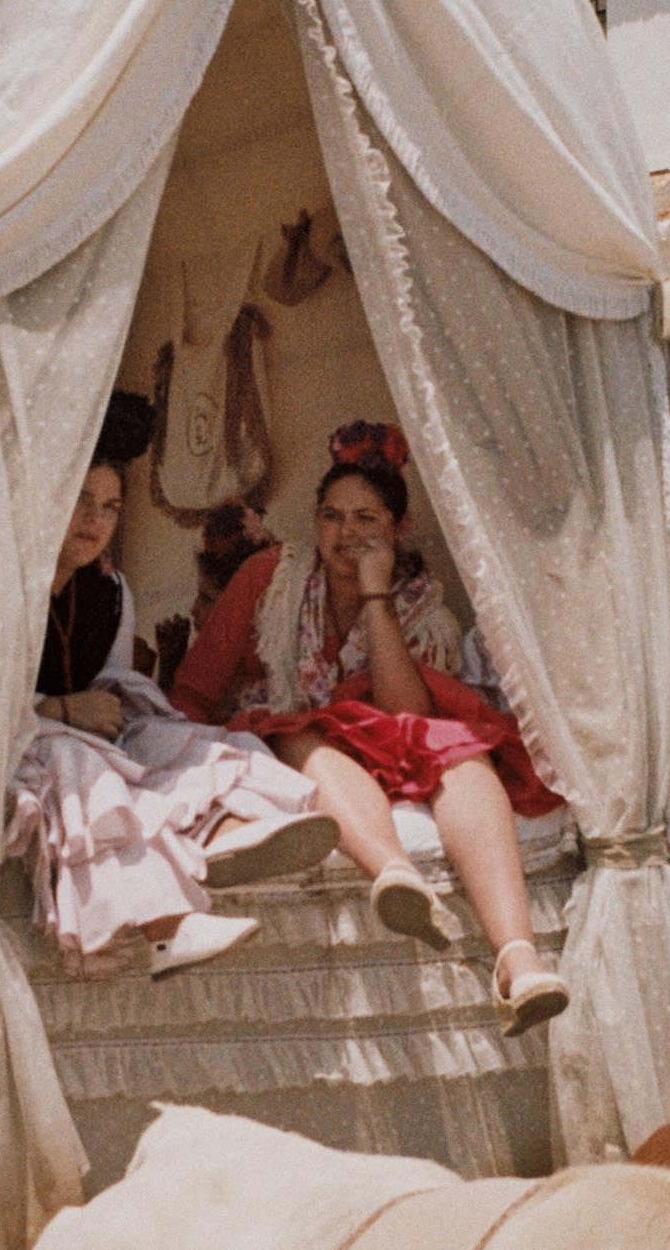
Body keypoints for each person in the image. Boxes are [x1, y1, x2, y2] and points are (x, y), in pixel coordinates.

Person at [172, 418, 569, 1033]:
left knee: (462, 754)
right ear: (315, 520)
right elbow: (195, 688)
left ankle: (519, 962)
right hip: (292, 737)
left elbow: (406, 715)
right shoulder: (270, 577)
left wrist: (377, 594)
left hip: (378, 737)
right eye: (332, 516)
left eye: (366, 520)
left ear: (398, 529)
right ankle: (395, 874)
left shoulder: (420, 603)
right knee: (301, 737)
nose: (346, 534)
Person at [6, 394, 336, 975]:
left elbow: (113, 681)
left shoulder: (110, 593)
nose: (94, 521)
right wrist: (57, 707)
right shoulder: (7, 585)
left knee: (194, 743)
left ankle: (229, 833)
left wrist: (122, 713)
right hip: (17, 745)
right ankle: (167, 929)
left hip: (83, 734)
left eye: (109, 507)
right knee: (77, 761)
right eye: (81, 501)